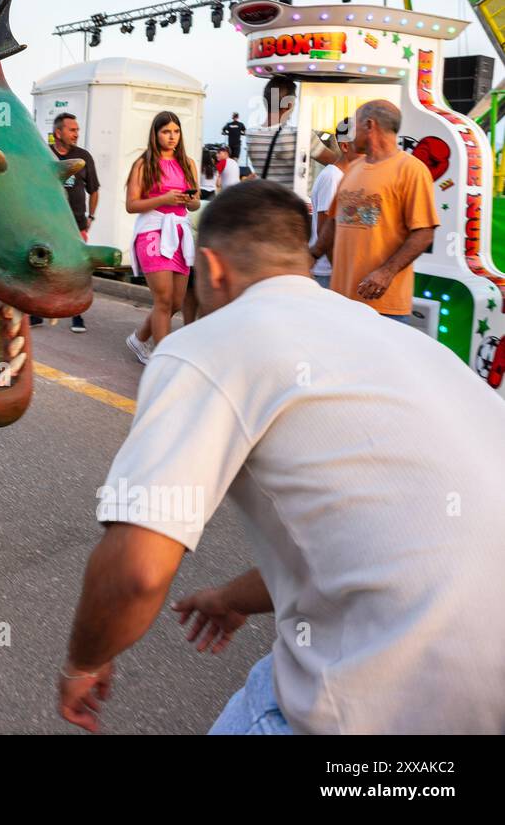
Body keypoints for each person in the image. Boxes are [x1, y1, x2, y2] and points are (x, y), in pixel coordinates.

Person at [58, 180, 505, 735]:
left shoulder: (208, 344)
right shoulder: (404, 344)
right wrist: (232, 597)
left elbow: (138, 570)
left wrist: (84, 662)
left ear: (213, 270)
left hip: (388, 705)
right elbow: (392, 540)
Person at [310, 99, 438, 321]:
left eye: (356, 125)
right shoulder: (353, 169)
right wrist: (311, 255)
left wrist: (386, 272)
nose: (353, 132)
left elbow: (424, 232)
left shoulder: (411, 170)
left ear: (369, 125)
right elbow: (333, 221)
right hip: (342, 301)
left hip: (382, 306)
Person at [123, 111, 200, 363]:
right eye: (166, 131)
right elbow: (132, 204)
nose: (172, 137)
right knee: (163, 299)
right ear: (156, 134)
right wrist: (164, 199)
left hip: (179, 232)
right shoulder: (144, 164)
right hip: (152, 231)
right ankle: (163, 361)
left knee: (175, 302)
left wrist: (190, 200)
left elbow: (196, 204)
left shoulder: (188, 163)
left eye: (176, 131)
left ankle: (138, 339)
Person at [41, 113, 98, 333]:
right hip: (47, 222)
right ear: (58, 132)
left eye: (77, 130)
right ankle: (37, 314)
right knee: (43, 267)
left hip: (76, 223)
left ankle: (77, 315)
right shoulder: (45, 154)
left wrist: (91, 217)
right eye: (72, 130)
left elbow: (94, 190)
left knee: (75, 269)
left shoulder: (83, 156)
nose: (76, 134)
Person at [306, 121, 355, 289]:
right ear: (346, 146)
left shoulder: (347, 176)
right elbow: (324, 229)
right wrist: (340, 272)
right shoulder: (332, 177)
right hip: (327, 272)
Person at [243, 78, 297, 187]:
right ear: (289, 105)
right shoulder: (296, 136)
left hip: (265, 200)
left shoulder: (251, 134)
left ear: (264, 102)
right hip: (289, 202)